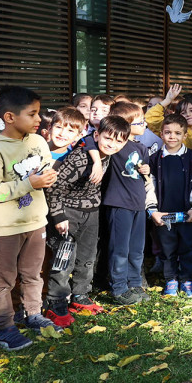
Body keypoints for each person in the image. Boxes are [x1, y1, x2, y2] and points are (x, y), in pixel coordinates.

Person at [0, 86, 57, 350]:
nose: (39, 120)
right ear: (9, 117)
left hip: (36, 221)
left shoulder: (37, 141)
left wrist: (47, 177)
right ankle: (5, 327)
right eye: (32, 114)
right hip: (6, 227)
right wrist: (29, 184)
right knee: (4, 279)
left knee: (33, 273)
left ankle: (33, 314)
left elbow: (45, 167)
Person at [41, 107, 109, 325]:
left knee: (86, 257)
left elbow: (91, 139)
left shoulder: (82, 147)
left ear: (79, 135)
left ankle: (80, 294)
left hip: (80, 212)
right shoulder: (39, 149)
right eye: (58, 127)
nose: (62, 134)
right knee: (61, 258)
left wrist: (97, 160)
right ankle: (55, 300)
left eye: (70, 131)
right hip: (52, 212)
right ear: (49, 128)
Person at [147, 114, 192, 297]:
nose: (172, 136)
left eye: (177, 133)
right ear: (161, 134)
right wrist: (153, 210)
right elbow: (149, 184)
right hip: (164, 213)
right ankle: (171, 279)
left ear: (184, 135)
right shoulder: (155, 158)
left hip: (187, 213)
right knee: (167, 248)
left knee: (187, 247)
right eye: (167, 133)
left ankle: (187, 279)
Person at [101, 101, 153, 304]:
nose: (144, 124)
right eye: (140, 121)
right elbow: (90, 141)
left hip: (138, 205)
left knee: (136, 248)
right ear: (126, 124)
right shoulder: (116, 145)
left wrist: (147, 170)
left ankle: (134, 284)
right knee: (119, 249)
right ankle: (119, 288)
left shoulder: (141, 147)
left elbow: (144, 171)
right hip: (119, 203)